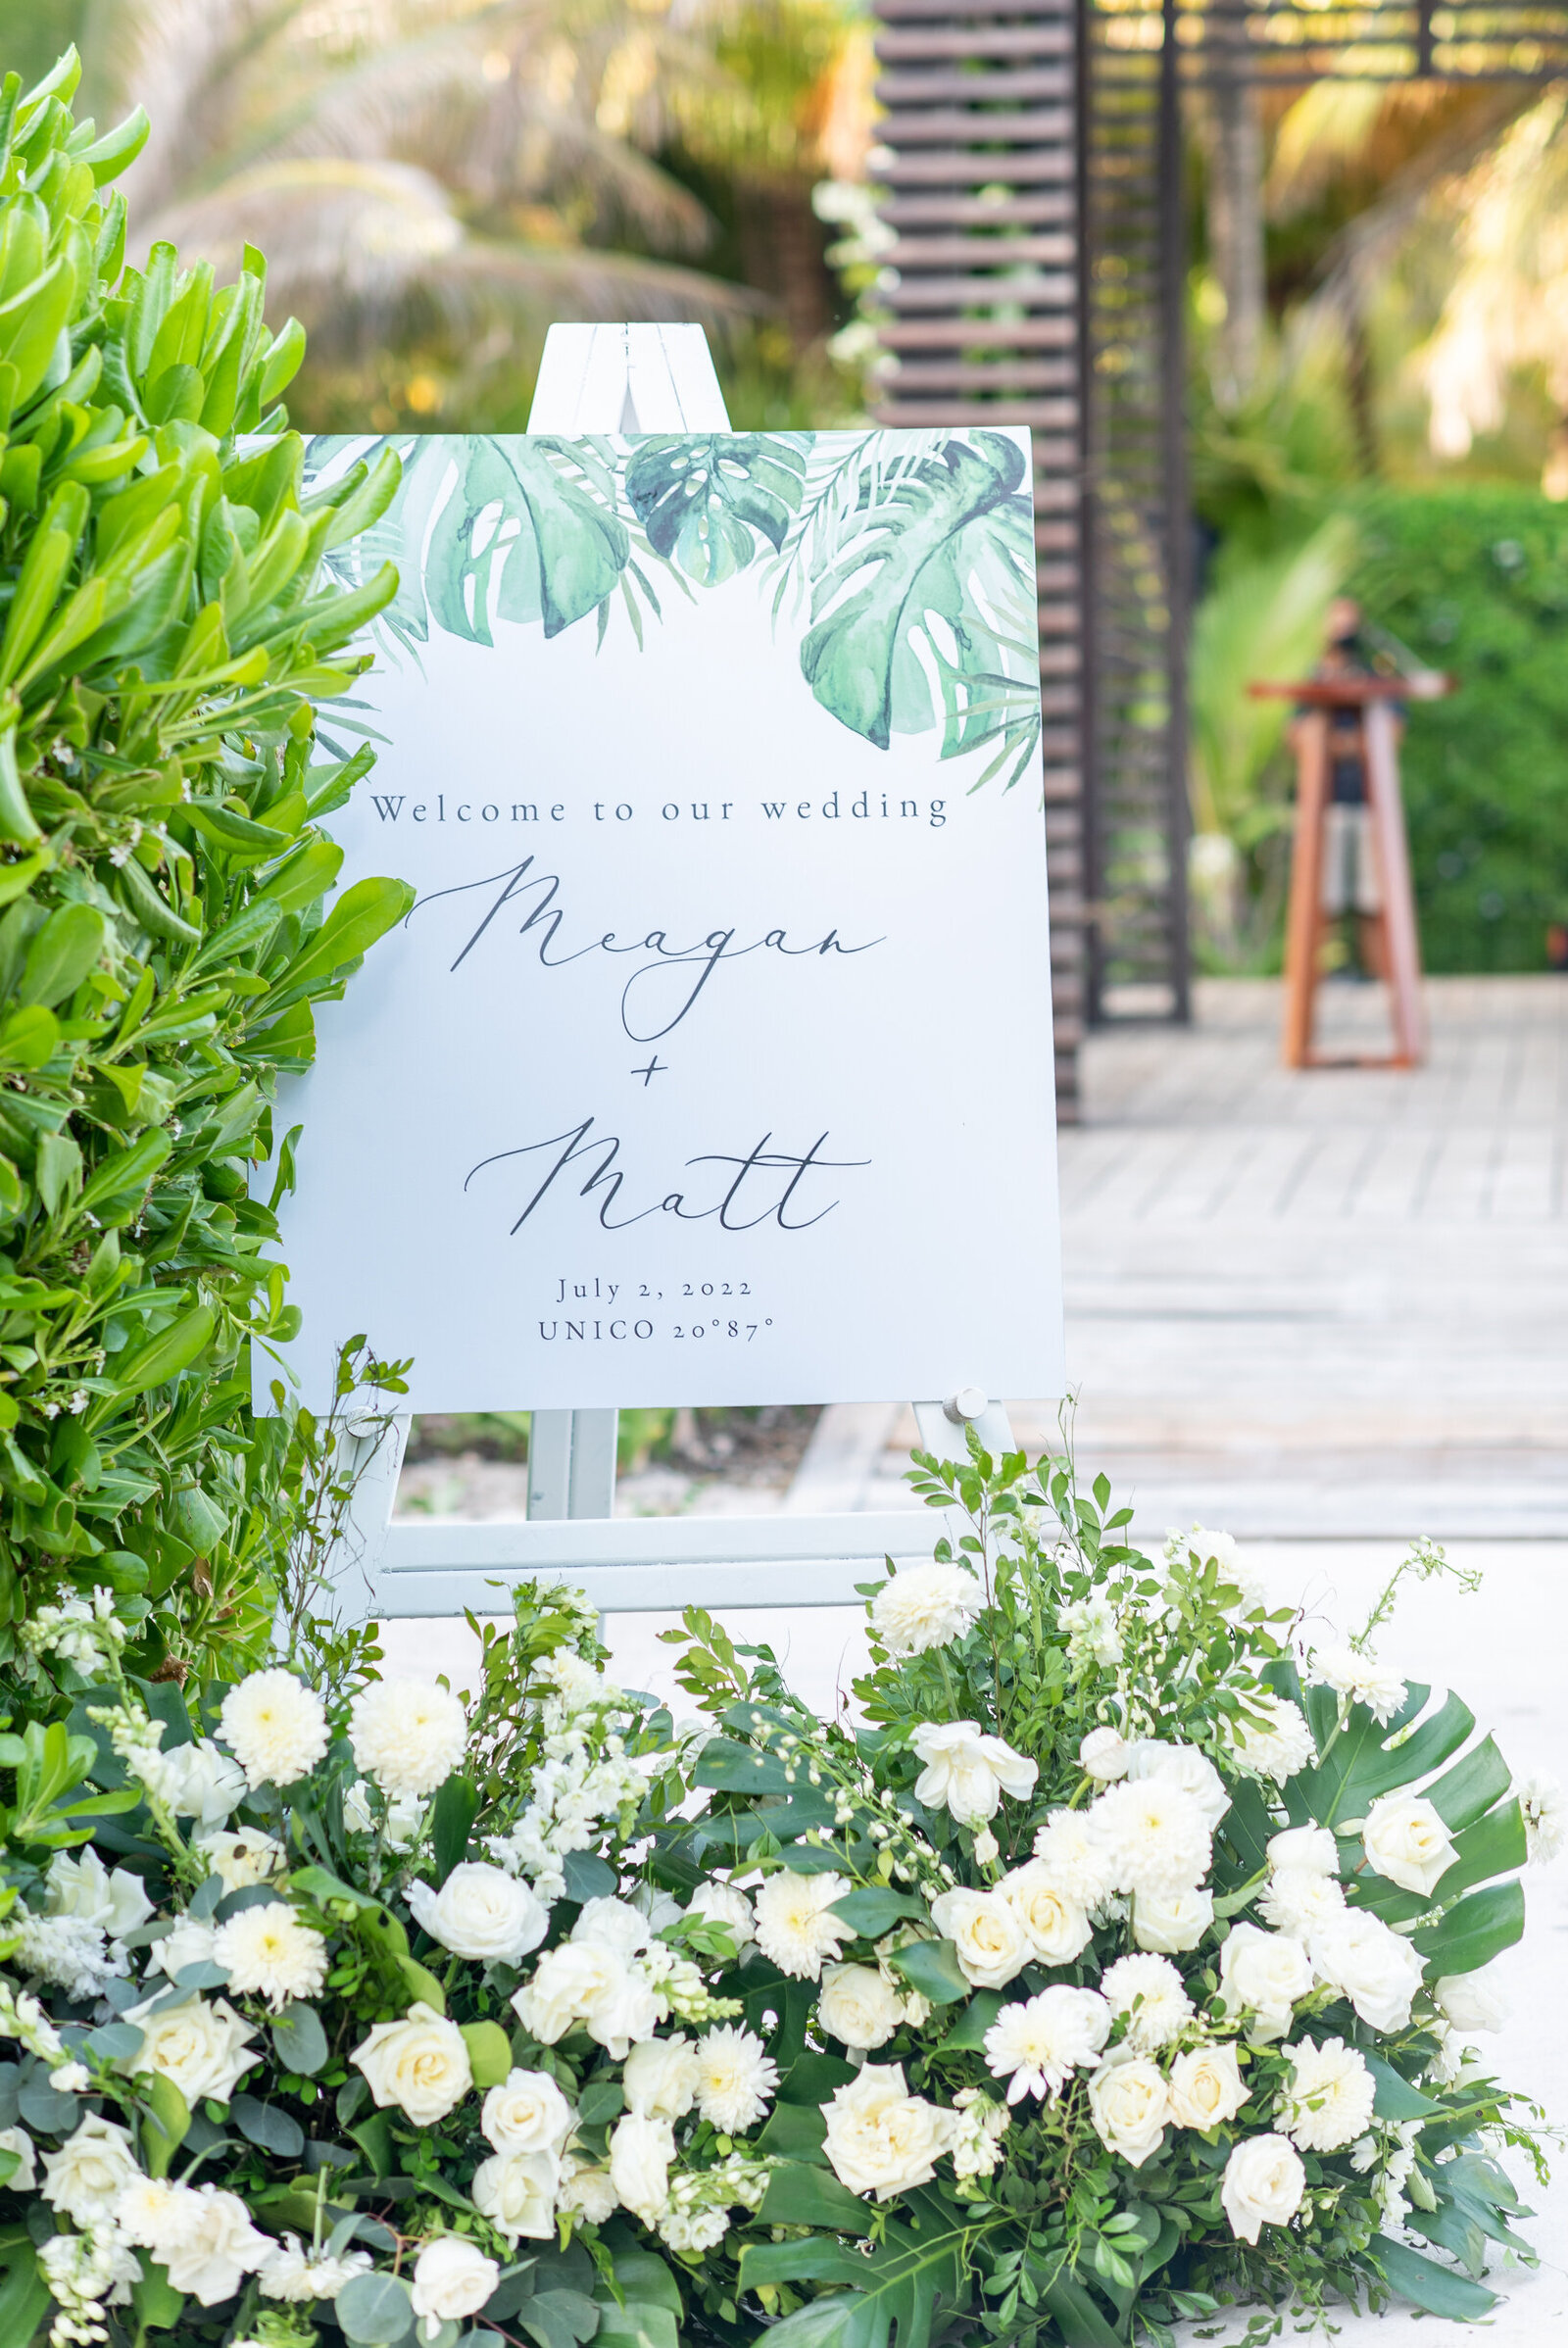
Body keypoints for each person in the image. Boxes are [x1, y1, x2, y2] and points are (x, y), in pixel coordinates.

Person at [1295, 596, 1401, 981]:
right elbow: (1297, 735)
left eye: (1349, 625)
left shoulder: (1376, 675)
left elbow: (1391, 735)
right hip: (1325, 805)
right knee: (1322, 900)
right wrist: (1350, 745)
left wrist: (1340, 745)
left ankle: (1384, 981)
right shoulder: (1313, 677)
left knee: (1375, 899)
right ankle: (1316, 979)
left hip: (1371, 804)